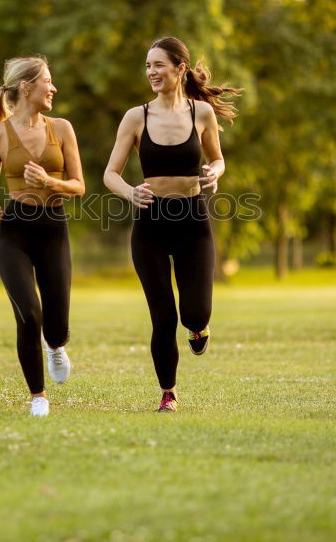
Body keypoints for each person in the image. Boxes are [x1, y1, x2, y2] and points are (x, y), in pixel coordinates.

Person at [103, 37, 240, 412]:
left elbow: (218, 159)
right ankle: (168, 392)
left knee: (194, 312)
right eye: (147, 66)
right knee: (162, 314)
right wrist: (131, 192)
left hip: (193, 219)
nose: (151, 73)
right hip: (150, 223)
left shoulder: (201, 114)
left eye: (158, 65)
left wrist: (215, 171)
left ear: (180, 68)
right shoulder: (136, 117)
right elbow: (110, 174)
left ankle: (198, 327)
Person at [0, 56, 85, 417]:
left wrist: (50, 182)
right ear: (27, 87)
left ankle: (55, 346)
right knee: (28, 313)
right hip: (14, 230)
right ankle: (38, 396)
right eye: (48, 82)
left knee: (56, 324)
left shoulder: (63, 129)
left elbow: (79, 186)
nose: (53, 88)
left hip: (54, 228)